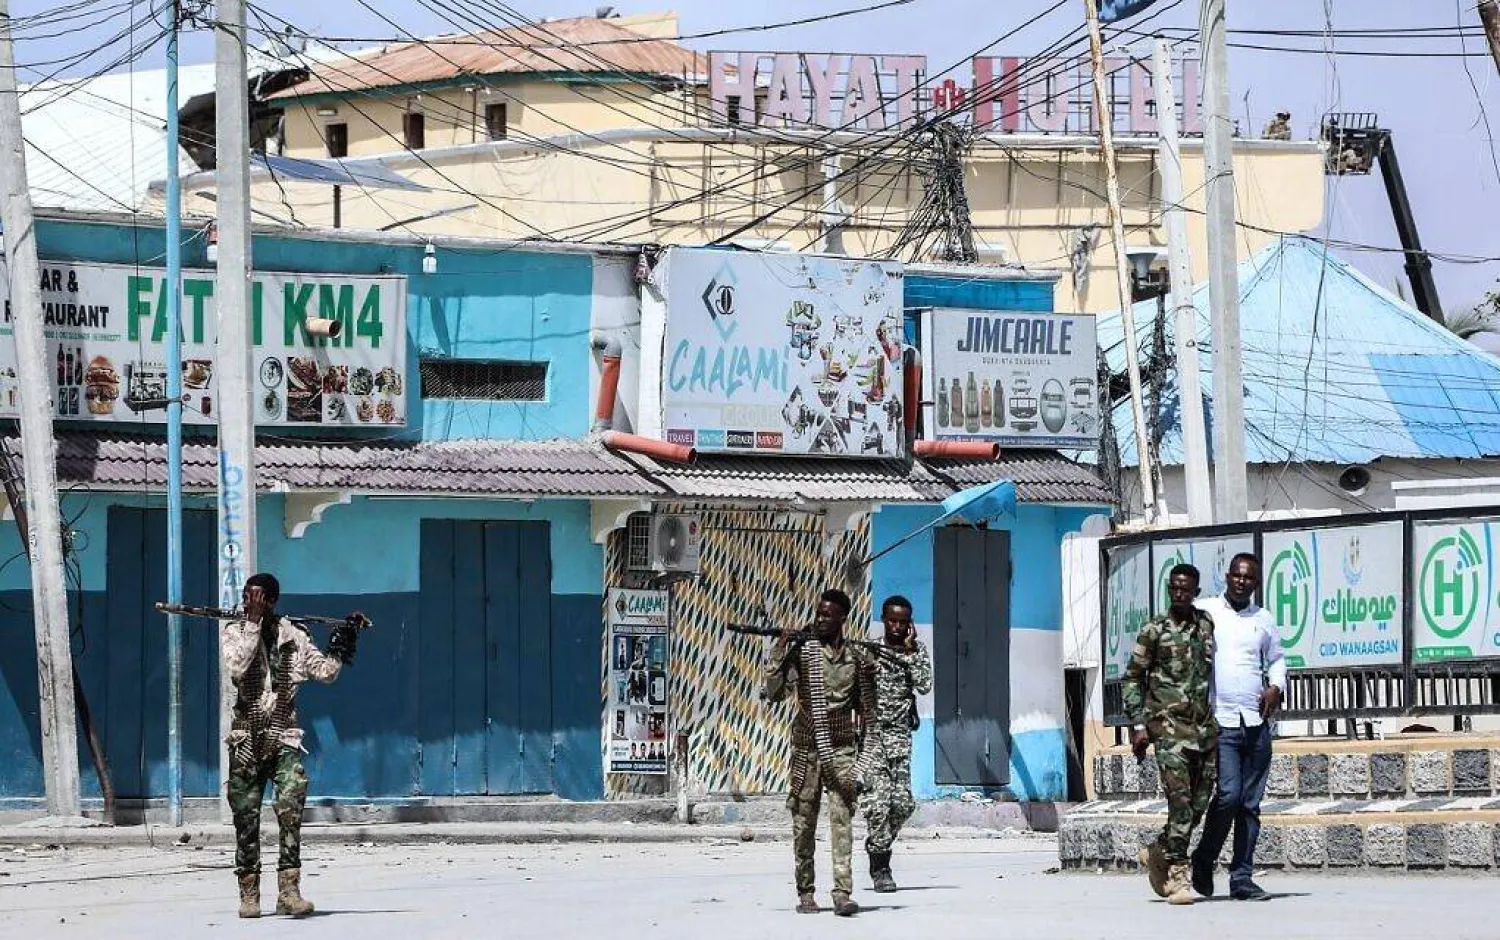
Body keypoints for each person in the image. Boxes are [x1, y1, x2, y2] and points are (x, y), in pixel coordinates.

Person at [222, 573, 366, 919]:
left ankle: (289, 891)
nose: (248, 603)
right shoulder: (234, 631)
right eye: (245, 597)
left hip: (284, 736)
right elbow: (238, 667)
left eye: (256, 598)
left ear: (271, 600)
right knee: (245, 817)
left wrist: (344, 639)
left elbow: (326, 672)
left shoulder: (295, 636)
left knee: (290, 809)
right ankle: (249, 894)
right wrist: (253, 624)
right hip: (247, 737)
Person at [763, 588, 877, 917]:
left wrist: (872, 677)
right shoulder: (803, 652)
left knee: (842, 820)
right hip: (806, 748)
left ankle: (842, 892)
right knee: (803, 823)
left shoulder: (856, 658)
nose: (820, 619)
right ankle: (806, 891)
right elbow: (775, 693)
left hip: (841, 747)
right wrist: (779, 652)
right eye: (819, 613)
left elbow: (867, 708)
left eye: (828, 615)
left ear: (843, 618)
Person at [1191, 553, 1287, 902]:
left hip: (1256, 723)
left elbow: (1277, 659)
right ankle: (1204, 858)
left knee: (1250, 803)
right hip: (1222, 720)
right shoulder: (1207, 612)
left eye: (1248, 577)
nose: (1241, 581)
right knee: (1229, 795)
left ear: (1256, 583)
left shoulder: (1264, 619)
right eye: (1236, 575)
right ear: (1227, 576)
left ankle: (1241, 878)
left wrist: (1275, 686)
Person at [1122, 563, 1216, 906]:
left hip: (1204, 730)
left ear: (1195, 591)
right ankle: (1178, 877)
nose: (1179, 593)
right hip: (1168, 730)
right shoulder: (1154, 630)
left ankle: (1160, 848)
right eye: (1174, 588)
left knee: (1199, 805)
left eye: (1186, 589)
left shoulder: (1206, 624)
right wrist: (1138, 725)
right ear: (1169, 590)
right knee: (1180, 802)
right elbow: (1133, 678)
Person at [861, 595, 932, 893]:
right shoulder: (871, 651)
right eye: (892, 620)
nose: (897, 626)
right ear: (883, 619)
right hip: (873, 736)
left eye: (903, 622)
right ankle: (881, 868)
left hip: (900, 737)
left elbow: (924, 684)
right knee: (878, 805)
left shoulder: (916, 650)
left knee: (902, 805)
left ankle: (877, 844)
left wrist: (910, 651)